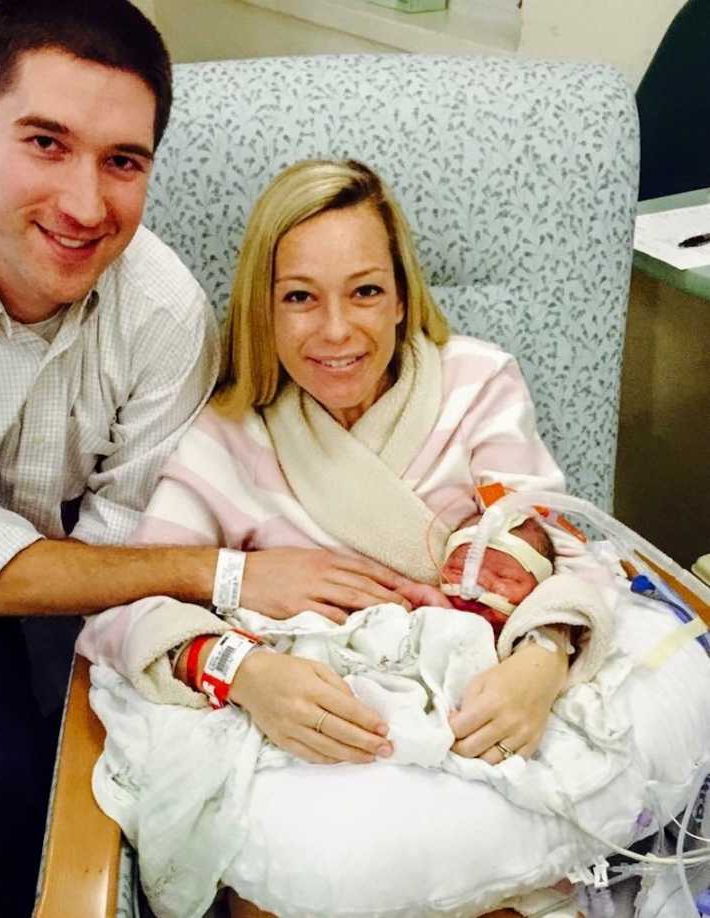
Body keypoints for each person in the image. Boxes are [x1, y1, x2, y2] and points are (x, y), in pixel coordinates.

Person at [0, 8, 427, 915]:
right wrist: (231, 575)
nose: (85, 204)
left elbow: (119, 537)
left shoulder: (167, 314)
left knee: (105, 744)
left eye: (122, 161)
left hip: (73, 539)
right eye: (47, 142)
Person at [77, 158, 613, 917]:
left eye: (365, 291)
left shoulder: (477, 386)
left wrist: (543, 659)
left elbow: (573, 549)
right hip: (326, 761)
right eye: (300, 298)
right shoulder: (228, 436)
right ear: (263, 311)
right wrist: (245, 672)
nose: (336, 332)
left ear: (401, 297)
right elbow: (122, 605)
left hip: (477, 735)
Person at [439, 511, 558, 638]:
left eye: (505, 577)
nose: (478, 582)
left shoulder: (535, 643)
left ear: (537, 591)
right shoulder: (427, 603)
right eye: (459, 569)